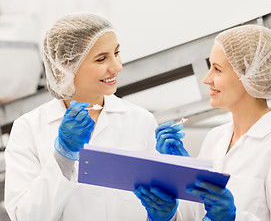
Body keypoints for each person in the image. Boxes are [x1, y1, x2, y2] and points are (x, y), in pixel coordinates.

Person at [134, 25, 271, 221]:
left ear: (248, 75)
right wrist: (168, 212)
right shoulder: (215, 138)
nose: (206, 79)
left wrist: (233, 218)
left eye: (217, 69)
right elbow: (196, 215)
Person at [4, 13, 158, 221]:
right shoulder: (29, 128)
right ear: (65, 66)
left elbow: (159, 207)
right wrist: (63, 156)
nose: (117, 66)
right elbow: (25, 216)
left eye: (116, 52)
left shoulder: (141, 121)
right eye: (101, 59)